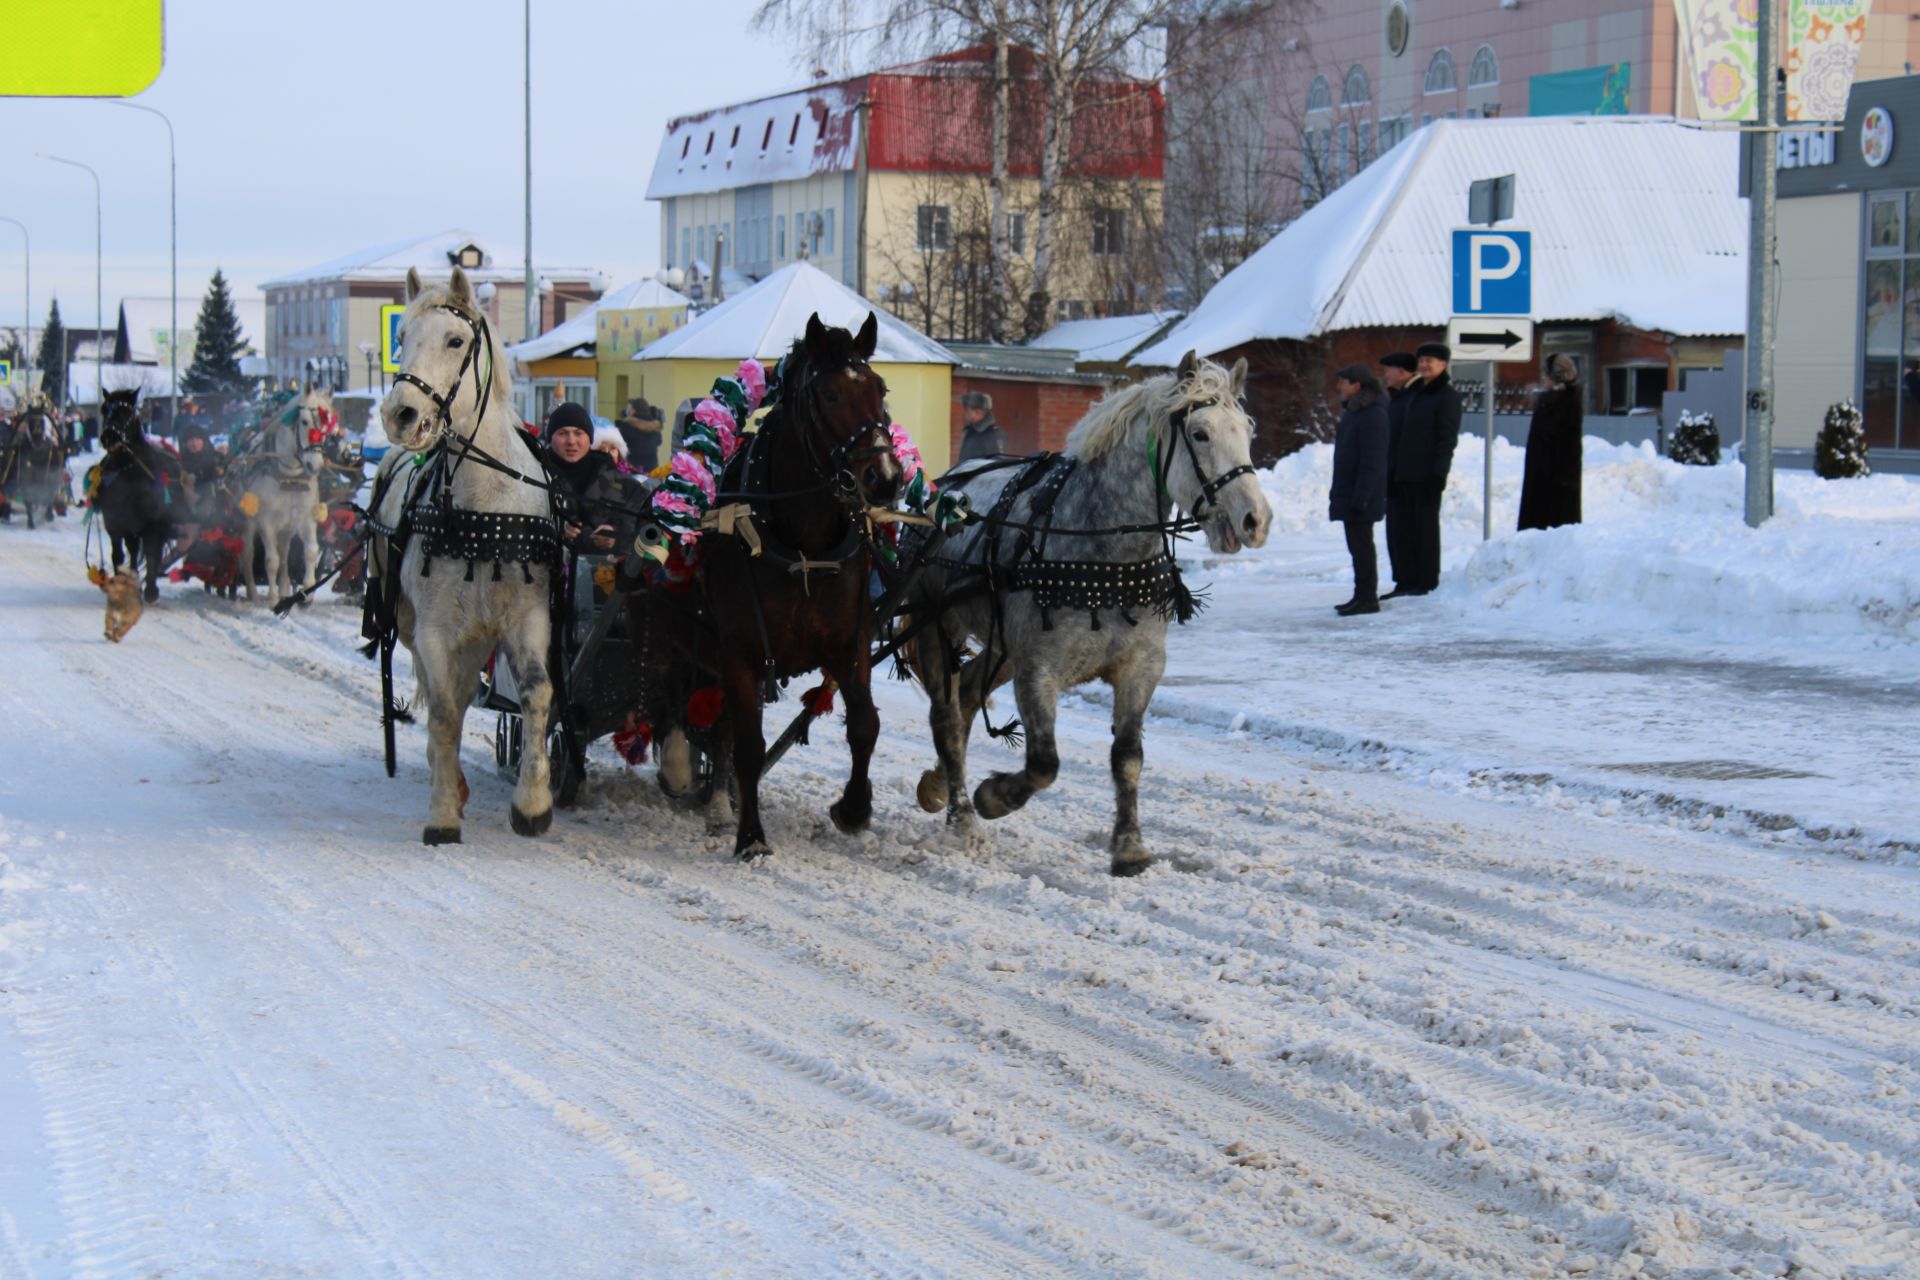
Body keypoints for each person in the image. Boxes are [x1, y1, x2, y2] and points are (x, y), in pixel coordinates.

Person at [1383, 341, 1461, 598]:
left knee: (1424, 531)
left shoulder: (1446, 396)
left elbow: (1446, 439)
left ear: (1443, 365)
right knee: (1402, 531)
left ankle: (1425, 582)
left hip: (1426, 476)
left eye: (1431, 361)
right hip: (1403, 474)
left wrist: (1438, 475)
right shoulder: (1415, 393)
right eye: (1422, 360)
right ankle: (1405, 581)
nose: (1425, 365)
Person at [1328, 365, 1390, 616]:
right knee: (1357, 548)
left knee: (1363, 548)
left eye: (1343, 382)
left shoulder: (1373, 414)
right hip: (1351, 494)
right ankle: (1361, 595)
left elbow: (1372, 461)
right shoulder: (1355, 413)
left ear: (1357, 385)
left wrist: (1361, 497)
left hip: (1361, 497)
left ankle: (1368, 598)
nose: (1338, 387)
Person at [543, 402, 635, 554]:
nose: (571, 441)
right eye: (563, 433)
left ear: (590, 439)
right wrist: (559, 528)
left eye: (578, 433)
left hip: (600, 572)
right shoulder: (537, 472)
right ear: (550, 437)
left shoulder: (609, 473)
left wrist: (614, 532)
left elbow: (638, 517)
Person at [1517, 353, 1584, 531]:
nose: (1543, 378)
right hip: (1543, 478)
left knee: (1549, 530)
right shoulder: (1551, 400)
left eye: (1546, 374)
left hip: (1553, 484)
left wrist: (1563, 480)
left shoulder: (1564, 404)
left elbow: (1567, 447)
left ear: (1556, 377)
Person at [1377, 352, 1418, 599]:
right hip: (1394, 474)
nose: (1385, 375)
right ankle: (1403, 581)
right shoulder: (1397, 398)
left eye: (1388, 370)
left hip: (1408, 474)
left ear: (1402, 372)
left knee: (1409, 531)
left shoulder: (1413, 397)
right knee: (1396, 532)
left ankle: (1412, 581)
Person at [956, 390, 1006, 463]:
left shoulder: (993, 434)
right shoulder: (971, 431)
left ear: (979, 411)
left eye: (967, 410)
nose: (964, 413)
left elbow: (997, 464)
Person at [615, 398, 664, 472]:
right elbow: (659, 441)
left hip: (633, 470)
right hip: (652, 470)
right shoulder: (655, 427)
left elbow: (618, 445)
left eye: (630, 408)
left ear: (633, 410)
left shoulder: (626, 426)